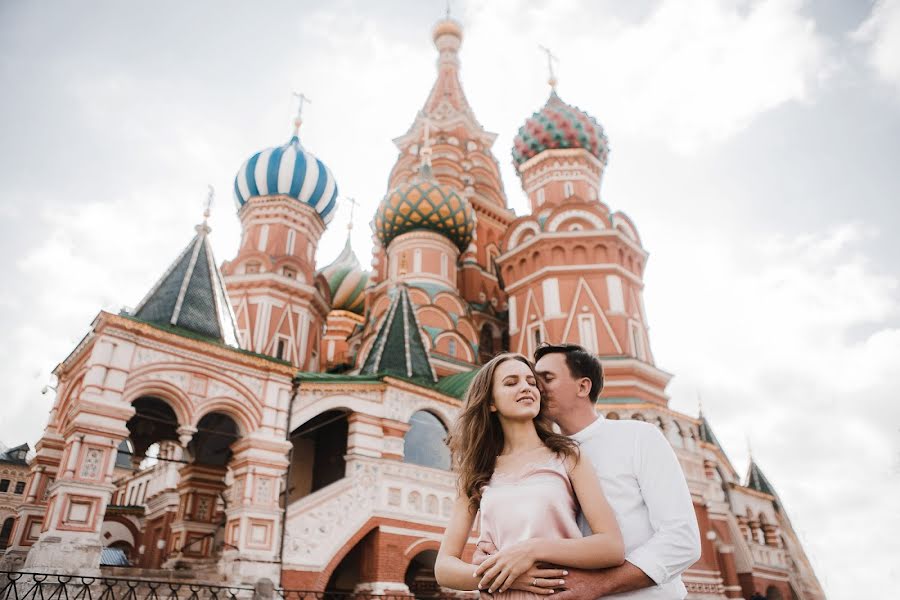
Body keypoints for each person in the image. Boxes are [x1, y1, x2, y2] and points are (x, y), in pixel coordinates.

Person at [478, 343, 702, 599]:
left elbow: (682, 540)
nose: (534, 387)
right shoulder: (540, 458)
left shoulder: (638, 437)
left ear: (583, 387)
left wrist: (599, 585)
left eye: (545, 379)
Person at [435, 353, 626, 597]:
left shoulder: (567, 456)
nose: (526, 387)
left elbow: (611, 546)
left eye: (531, 382)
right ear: (491, 402)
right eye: (511, 382)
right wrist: (508, 576)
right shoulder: (478, 470)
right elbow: (444, 567)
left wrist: (531, 550)